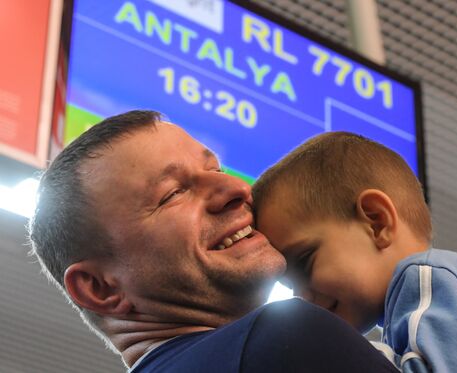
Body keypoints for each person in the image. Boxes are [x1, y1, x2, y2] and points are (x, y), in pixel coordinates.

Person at [28, 110, 399, 372]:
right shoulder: (287, 338)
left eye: (215, 169)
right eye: (173, 194)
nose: (237, 188)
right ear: (100, 287)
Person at [252, 131, 457, 372]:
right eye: (290, 284)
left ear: (377, 222)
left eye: (305, 262)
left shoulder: (435, 279)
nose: (301, 297)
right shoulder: (411, 320)